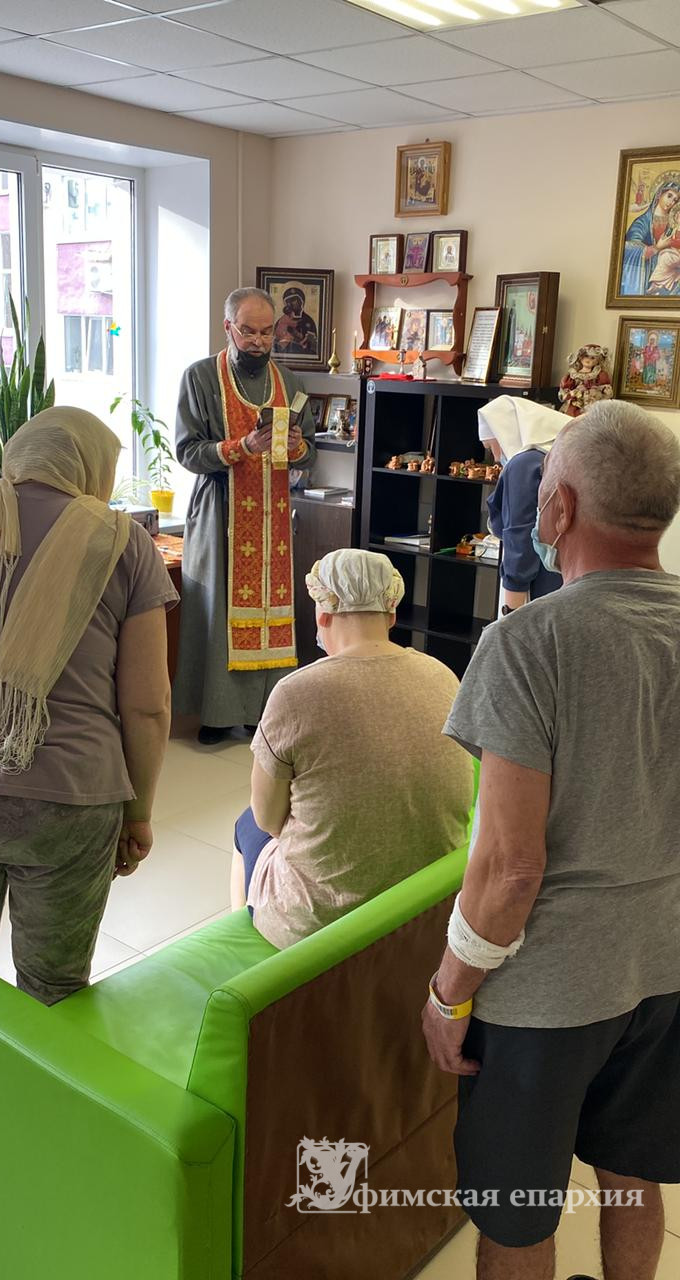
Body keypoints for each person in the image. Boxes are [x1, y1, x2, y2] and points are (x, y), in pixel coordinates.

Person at [422, 399, 680, 1280]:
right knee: (633, 1175)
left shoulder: (527, 644)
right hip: (666, 968)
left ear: (561, 508)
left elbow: (509, 868)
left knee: (518, 1216)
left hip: (548, 996)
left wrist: (448, 994)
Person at [0, 408, 177, 1005]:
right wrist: (138, 813)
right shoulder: (123, 541)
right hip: (72, 797)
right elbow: (148, 705)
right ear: (91, 467)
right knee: (53, 991)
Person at [230, 549, 474, 948]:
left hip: (322, 925)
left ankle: (255, 942)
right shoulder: (443, 676)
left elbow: (269, 820)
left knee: (246, 825)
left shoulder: (296, 693)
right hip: (426, 907)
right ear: (391, 614)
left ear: (322, 615)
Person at [174, 287, 316, 744]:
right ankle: (217, 714)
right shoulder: (200, 377)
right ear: (228, 328)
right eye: (248, 331)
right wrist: (241, 447)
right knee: (218, 611)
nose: (258, 341)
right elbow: (187, 451)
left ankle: (262, 711)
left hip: (273, 515)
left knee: (272, 611)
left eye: (266, 332)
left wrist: (298, 448)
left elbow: (309, 452)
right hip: (220, 511)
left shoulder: (290, 382)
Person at [479, 395, 570, 611]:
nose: (495, 457)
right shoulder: (557, 456)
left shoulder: (523, 465)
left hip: (538, 585)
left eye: (490, 447)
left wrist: (511, 611)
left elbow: (519, 537)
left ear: (503, 432)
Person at [620, 178, 680, 297]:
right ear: (659, 194)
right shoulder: (642, 223)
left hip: (672, 274)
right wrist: (657, 248)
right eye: (669, 196)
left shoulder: (674, 223)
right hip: (646, 277)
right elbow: (627, 251)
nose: (671, 202)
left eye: (675, 200)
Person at [273, 286, 318, 356]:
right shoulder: (281, 321)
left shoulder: (308, 321)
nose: (290, 304)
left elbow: (314, 347)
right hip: (285, 357)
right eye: (287, 301)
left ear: (301, 302)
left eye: (293, 300)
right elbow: (275, 346)